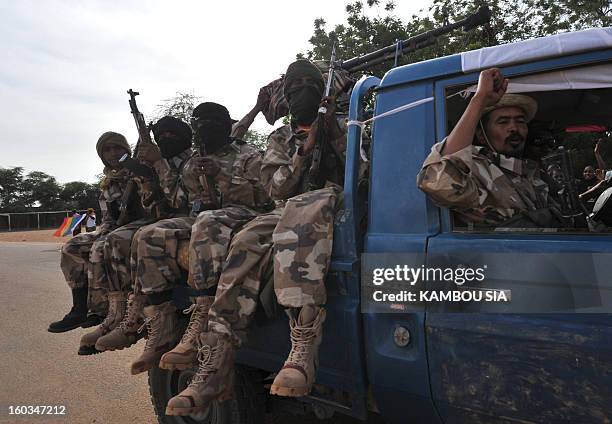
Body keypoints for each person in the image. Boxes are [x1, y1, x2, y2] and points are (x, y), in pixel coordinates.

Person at [165, 59, 348, 416]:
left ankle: (303, 343)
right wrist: (304, 150)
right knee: (247, 239)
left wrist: (334, 134)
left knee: (308, 207)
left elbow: (366, 172)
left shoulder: (349, 124)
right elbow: (277, 186)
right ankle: (216, 359)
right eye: (293, 88)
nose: (301, 93)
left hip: (336, 204)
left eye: (309, 85)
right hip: (286, 206)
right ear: (285, 99)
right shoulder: (279, 138)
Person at [99, 102, 271, 376]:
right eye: (200, 122)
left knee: (208, 221)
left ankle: (203, 313)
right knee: (149, 235)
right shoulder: (193, 162)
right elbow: (178, 199)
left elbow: (267, 195)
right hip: (202, 217)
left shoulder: (249, 154)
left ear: (227, 124)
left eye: (213, 120)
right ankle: (161, 323)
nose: (206, 127)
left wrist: (222, 177)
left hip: (246, 214)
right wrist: (159, 167)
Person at [77, 116, 193, 355]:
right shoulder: (115, 177)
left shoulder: (189, 160)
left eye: (172, 134)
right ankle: (113, 314)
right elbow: (139, 205)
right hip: (158, 218)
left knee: (138, 238)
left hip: (180, 217)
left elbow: (176, 200)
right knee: (108, 242)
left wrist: (151, 169)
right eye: (161, 135)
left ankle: (138, 316)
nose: (165, 138)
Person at [417, 68, 559, 228]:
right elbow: (439, 183)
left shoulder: (532, 172)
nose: (514, 128)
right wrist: (480, 99)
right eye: (503, 122)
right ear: (482, 136)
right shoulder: (476, 169)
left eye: (520, 121)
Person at [48, 132, 131, 333]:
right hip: (114, 229)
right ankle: (79, 308)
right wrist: (106, 230)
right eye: (107, 149)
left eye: (117, 148)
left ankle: (101, 310)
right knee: (72, 247)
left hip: (139, 226)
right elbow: (108, 218)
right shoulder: (108, 182)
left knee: (99, 249)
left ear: (126, 150)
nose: (112, 153)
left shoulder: (138, 173)